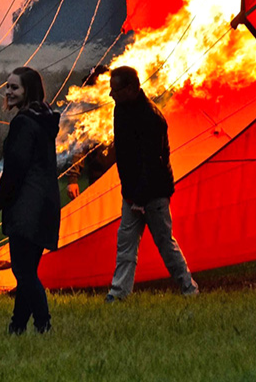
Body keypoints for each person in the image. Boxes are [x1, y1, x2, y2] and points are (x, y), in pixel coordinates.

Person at [105, 66, 197, 302]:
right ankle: (118, 294)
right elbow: (125, 157)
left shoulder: (151, 118)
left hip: (154, 195)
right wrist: (130, 195)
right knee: (125, 244)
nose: (111, 94)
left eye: (115, 90)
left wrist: (140, 198)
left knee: (165, 243)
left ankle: (189, 288)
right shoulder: (121, 109)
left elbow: (153, 164)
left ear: (131, 88)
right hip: (132, 194)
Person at [0, 66, 61, 335]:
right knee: (27, 269)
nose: (8, 92)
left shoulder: (23, 123)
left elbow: (15, 169)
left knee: (23, 272)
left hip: (27, 205)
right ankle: (17, 326)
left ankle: (43, 323)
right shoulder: (44, 119)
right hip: (46, 203)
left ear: (28, 90)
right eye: (7, 86)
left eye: (14, 87)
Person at [64, 66, 114, 200]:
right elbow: (79, 148)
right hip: (98, 177)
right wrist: (73, 179)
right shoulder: (88, 116)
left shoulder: (122, 109)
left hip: (122, 176)